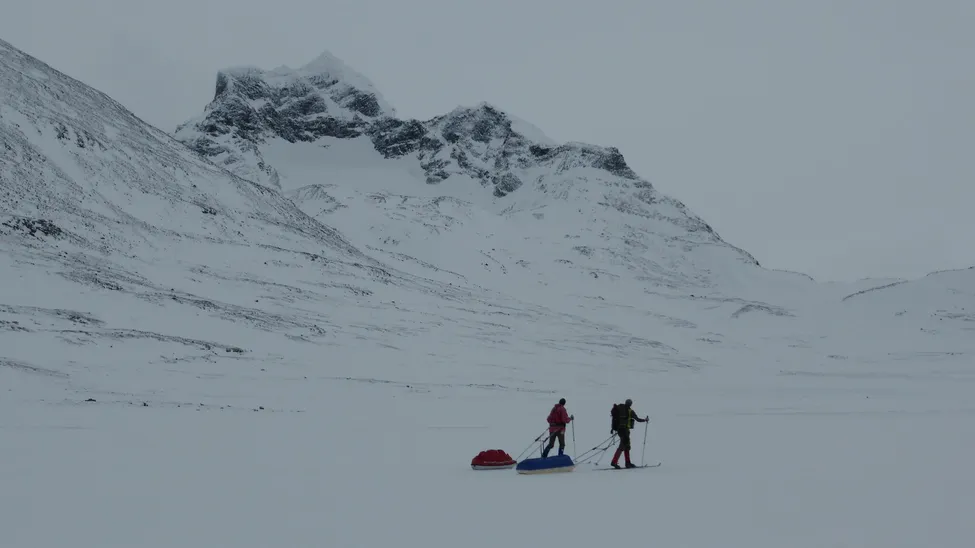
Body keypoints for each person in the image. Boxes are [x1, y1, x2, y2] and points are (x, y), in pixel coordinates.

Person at [610, 398, 648, 468]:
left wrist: (612, 428)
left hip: (619, 430)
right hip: (625, 431)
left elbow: (614, 418)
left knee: (627, 446)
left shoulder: (619, 409)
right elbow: (638, 419)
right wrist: (645, 420)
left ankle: (628, 463)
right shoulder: (630, 411)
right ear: (630, 404)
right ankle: (614, 462)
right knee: (622, 446)